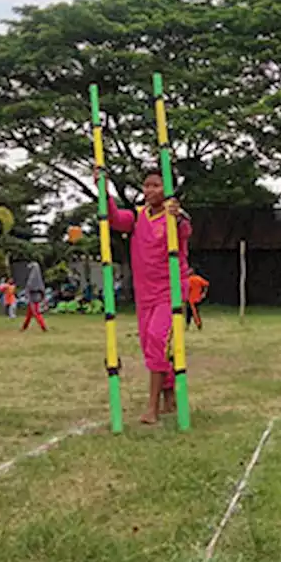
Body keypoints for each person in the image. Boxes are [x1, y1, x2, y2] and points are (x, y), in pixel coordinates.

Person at [105, 170, 192, 425]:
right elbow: (113, 218)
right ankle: (169, 397)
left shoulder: (174, 216)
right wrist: (104, 188)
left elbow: (186, 229)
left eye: (156, 185)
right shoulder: (137, 216)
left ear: (167, 189)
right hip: (145, 294)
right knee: (151, 346)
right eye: (147, 186)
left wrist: (178, 215)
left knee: (157, 339)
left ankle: (151, 407)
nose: (150, 190)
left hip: (170, 290)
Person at [20, 262, 48, 332]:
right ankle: (24, 327)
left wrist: (27, 295)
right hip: (35, 296)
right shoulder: (38, 277)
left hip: (33, 297)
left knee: (36, 312)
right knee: (29, 314)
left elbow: (29, 287)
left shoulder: (32, 278)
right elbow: (42, 289)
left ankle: (43, 326)